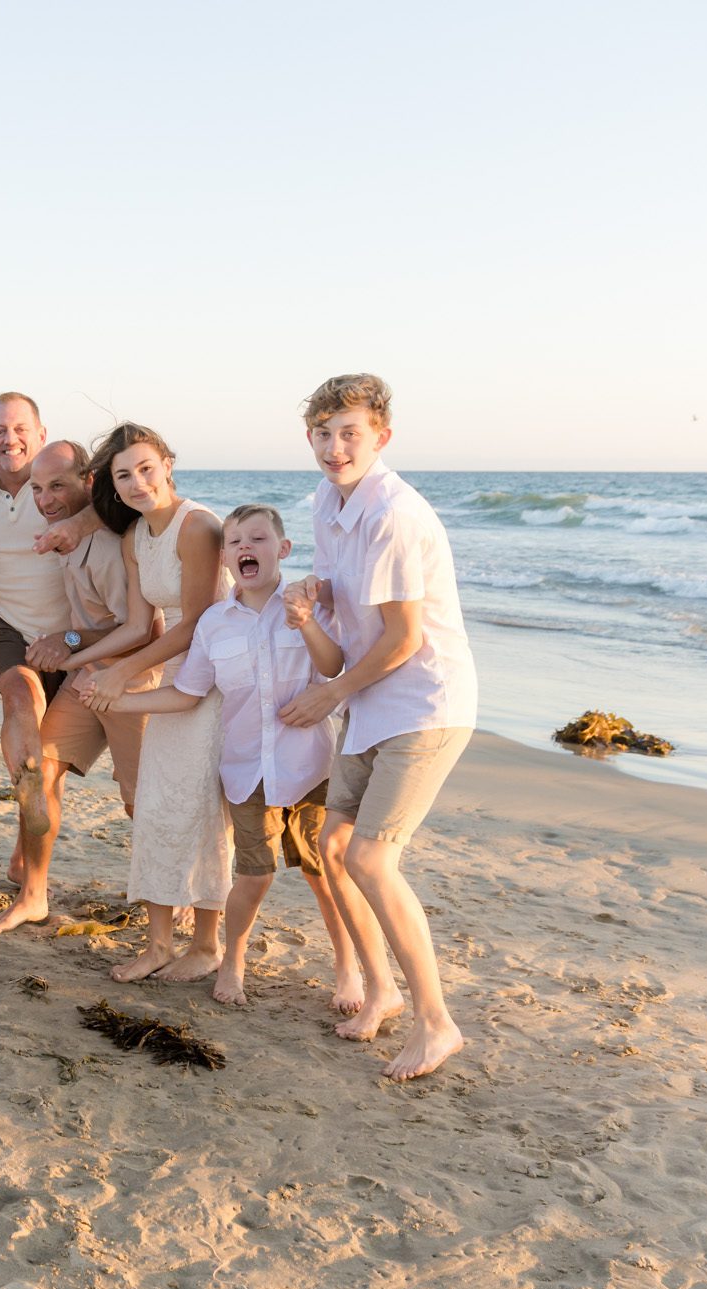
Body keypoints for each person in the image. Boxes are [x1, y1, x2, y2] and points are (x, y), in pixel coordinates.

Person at [279, 373, 478, 1081]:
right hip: (372, 704)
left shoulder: (394, 513)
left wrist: (329, 692)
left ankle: (436, 1022)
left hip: (425, 703)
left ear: (381, 437)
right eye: (323, 433)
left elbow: (400, 640)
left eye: (350, 433)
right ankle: (383, 989)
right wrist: (309, 598)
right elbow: (340, 610)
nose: (335, 447)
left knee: (370, 857)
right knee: (333, 848)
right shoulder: (327, 505)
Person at [97, 503, 367, 1012]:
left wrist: (305, 620)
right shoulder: (214, 625)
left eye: (259, 539)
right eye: (236, 541)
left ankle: (348, 970)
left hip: (311, 767)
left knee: (324, 872)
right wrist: (120, 699)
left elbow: (332, 668)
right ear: (223, 558)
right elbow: (187, 694)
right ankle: (233, 960)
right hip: (246, 773)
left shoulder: (310, 606)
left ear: (283, 549)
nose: (247, 547)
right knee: (253, 873)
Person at [62, 424, 230, 983]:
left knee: (203, 811)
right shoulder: (135, 538)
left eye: (145, 469)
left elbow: (200, 624)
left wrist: (126, 672)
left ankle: (207, 946)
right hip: (171, 675)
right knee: (156, 804)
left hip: (214, 681)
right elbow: (139, 624)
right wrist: (84, 666)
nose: (136, 483)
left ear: (167, 465)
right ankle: (159, 944)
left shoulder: (198, 526)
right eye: (123, 475)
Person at [0, 440, 152, 932]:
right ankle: (34, 893)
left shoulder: (114, 544)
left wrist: (70, 640)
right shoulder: (65, 533)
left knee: (140, 800)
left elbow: (145, 630)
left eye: (57, 485)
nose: (44, 499)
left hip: (134, 679)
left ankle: (176, 893)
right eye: (37, 488)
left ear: (90, 482)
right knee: (40, 771)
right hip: (87, 679)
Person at [0, 393, 72, 869]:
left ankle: (24, 850)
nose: (11, 439)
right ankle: (24, 787)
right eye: (0, 431)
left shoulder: (67, 488)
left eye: (21, 429)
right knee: (21, 698)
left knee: (53, 765)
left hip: (71, 636)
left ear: (41, 435)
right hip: (6, 623)